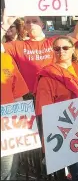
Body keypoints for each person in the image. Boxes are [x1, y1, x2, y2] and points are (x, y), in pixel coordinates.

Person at [34, 36, 78, 181]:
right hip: (66, 131)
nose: (60, 51)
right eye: (56, 48)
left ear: (73, 50)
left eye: (65, 48)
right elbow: (44, 112)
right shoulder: (46, 76)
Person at [1, 15, 78, 93]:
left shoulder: (54, 42)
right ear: (25, 27)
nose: (31, 24)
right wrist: (4, 28)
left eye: (35, 21)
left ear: (42, 25)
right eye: (28, 22)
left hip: (55, 91)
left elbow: (76, 36)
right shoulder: (17, 45)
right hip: (30, 95)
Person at [1, 52, 29, 180]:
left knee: (9, 170)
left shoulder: (6, 58)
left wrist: (22, 124)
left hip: (8, 125)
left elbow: (18, 94)